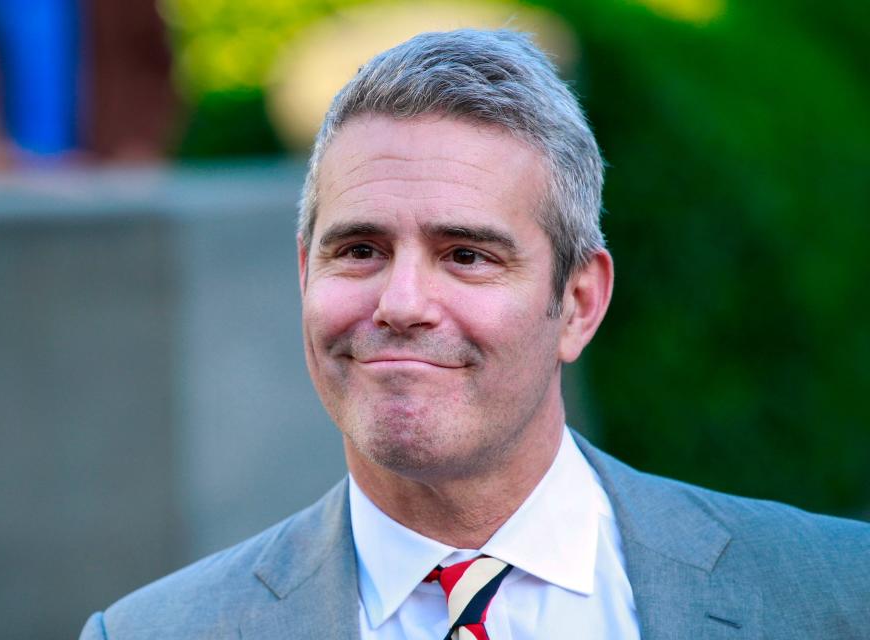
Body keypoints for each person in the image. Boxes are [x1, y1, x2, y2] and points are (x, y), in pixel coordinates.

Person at [80, 29, 870, 640]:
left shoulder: (836, 595)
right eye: (359, 250)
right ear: (304, 276)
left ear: (579, 302)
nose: (401, 302)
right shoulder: (153, 632)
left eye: (466, 255)